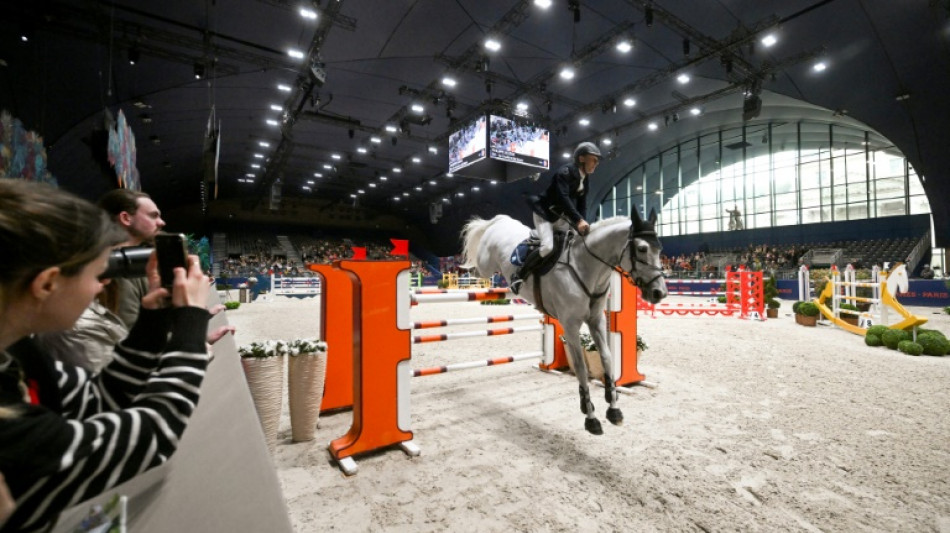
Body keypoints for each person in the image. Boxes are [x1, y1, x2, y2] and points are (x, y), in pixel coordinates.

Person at [0, 179, 212, 533]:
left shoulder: (17, 355)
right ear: (47, 283)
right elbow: (152, 437)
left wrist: (154, 317)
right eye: (98, 274)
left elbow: (99, 399)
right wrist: (191, 321)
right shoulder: (10, 427)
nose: (103, 285)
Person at [510, 141, 602, 292]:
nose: (596, 163)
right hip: (545, 214)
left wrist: (583, 223)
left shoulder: (585, 178)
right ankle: (519, 274)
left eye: (597, 161)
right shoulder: (564, 172)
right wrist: (578, 220)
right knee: (547, 247)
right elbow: (563, 198)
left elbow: (582, 204)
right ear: (581, 159)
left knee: (574, 244)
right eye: (593, 159)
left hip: (560, 217)